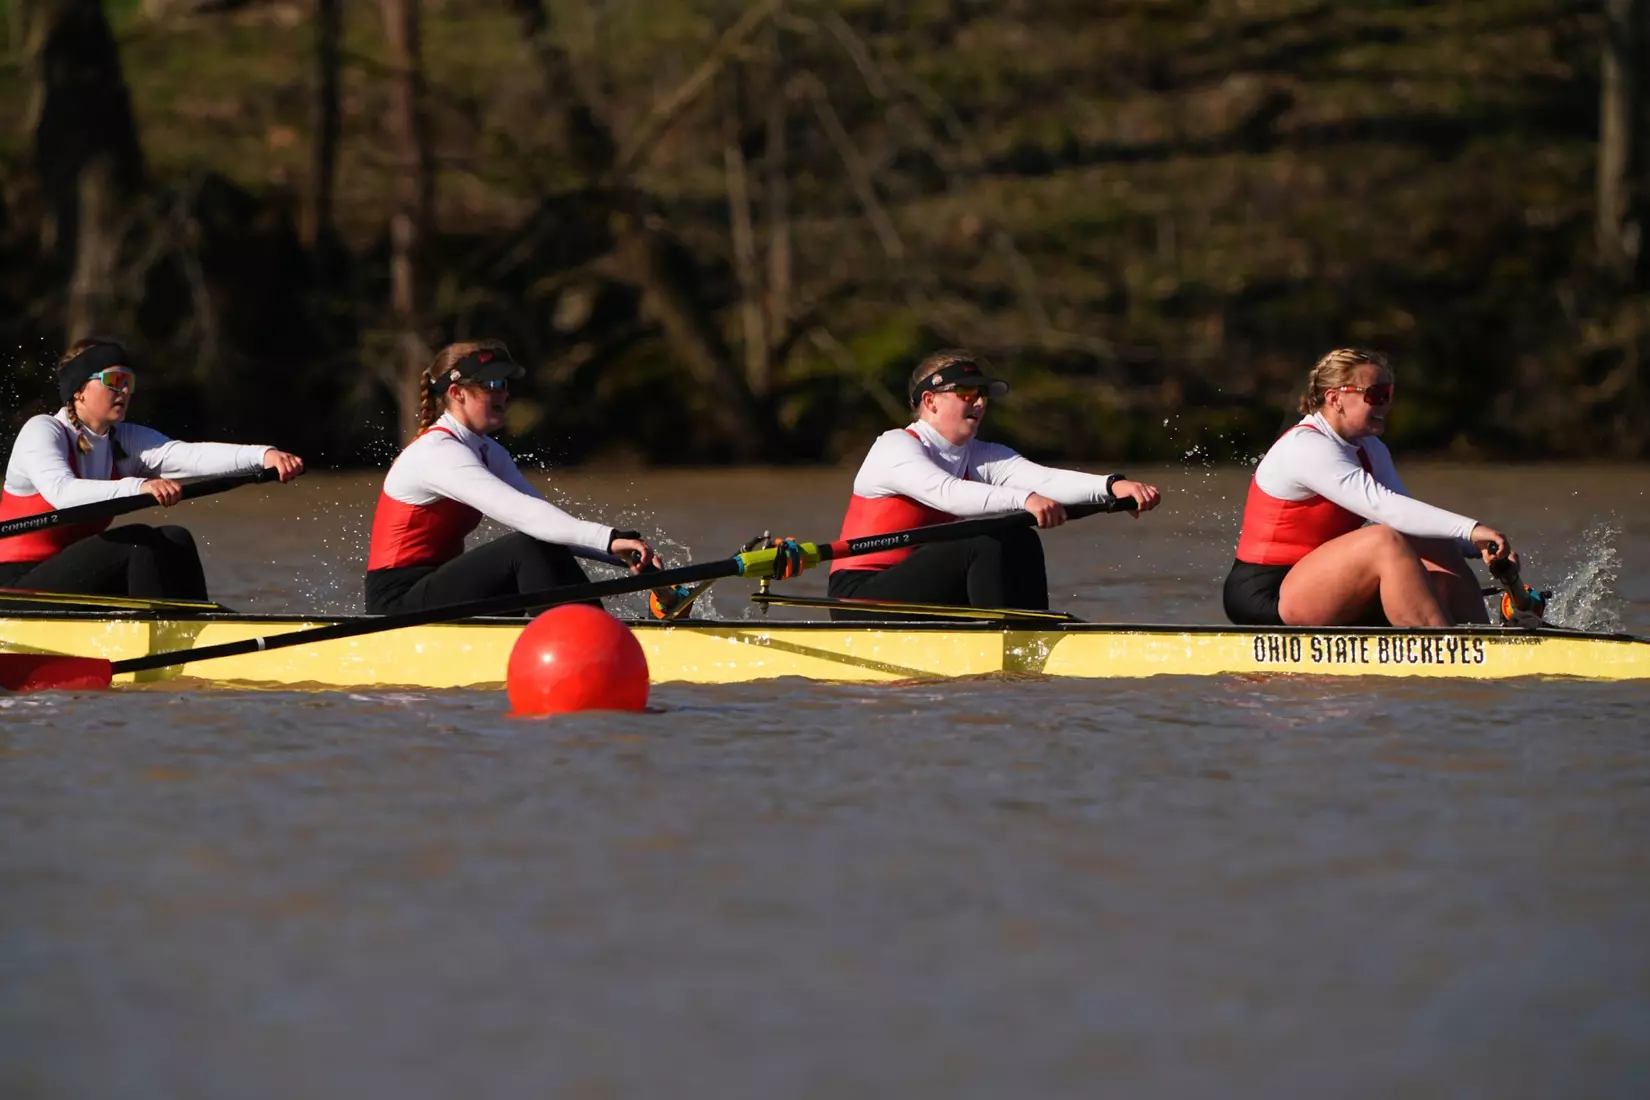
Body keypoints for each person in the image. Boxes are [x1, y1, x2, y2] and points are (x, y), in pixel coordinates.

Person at [827, 349, 1161, 619]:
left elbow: (1044, 479)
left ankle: (1032, 629)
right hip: (861, 596)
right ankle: (1001, 639)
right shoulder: (896, 446)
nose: (980, 403)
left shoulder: (980, 455)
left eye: (983, 394)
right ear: (930, 401)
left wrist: (1112, 486)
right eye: (966, 393)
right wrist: (1026, 499)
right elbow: (949, 495)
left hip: (923, 590)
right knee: (982, 544)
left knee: (1020, 539)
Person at [364, 340, 661, 615]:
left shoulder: (488, 451)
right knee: (527, 547)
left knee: (540, 541)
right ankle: (591, 638)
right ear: (457, 394)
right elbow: (523, 515)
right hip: (396, 605)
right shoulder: (436, 452)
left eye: (504, 384)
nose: (503, 393)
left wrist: (623, 553)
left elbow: (546, 520)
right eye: (491, 384)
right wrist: (606, 539)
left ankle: (596, 633)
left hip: (437, 591)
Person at [1224, 347, 1513, 628]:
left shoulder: (1370, 448)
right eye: (1375, 395)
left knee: (1430, 538)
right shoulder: (1305, 446)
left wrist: (1480, 545)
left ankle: (1480, 637)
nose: (1385, 405)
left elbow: (1408, 516)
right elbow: (1385, 508)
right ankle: (1448, 648)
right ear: (1335, 398)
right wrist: (1470, 529)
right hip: (1266, 594)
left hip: (1326, 581)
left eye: (1388, 395)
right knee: (1383, 541)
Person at [0, 338, 305, 601]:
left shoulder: (124, 439)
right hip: (16, 585)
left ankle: (200, 629)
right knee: (138, 541)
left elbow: (190, 456)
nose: (124, 391)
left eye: (128, 382)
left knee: (174, 538)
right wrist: (138, 486)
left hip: (72, 577)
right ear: (79, 389)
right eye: (114, 381)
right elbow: (62, 492)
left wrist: (263, 455)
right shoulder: (42, 431)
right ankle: (160, 636)